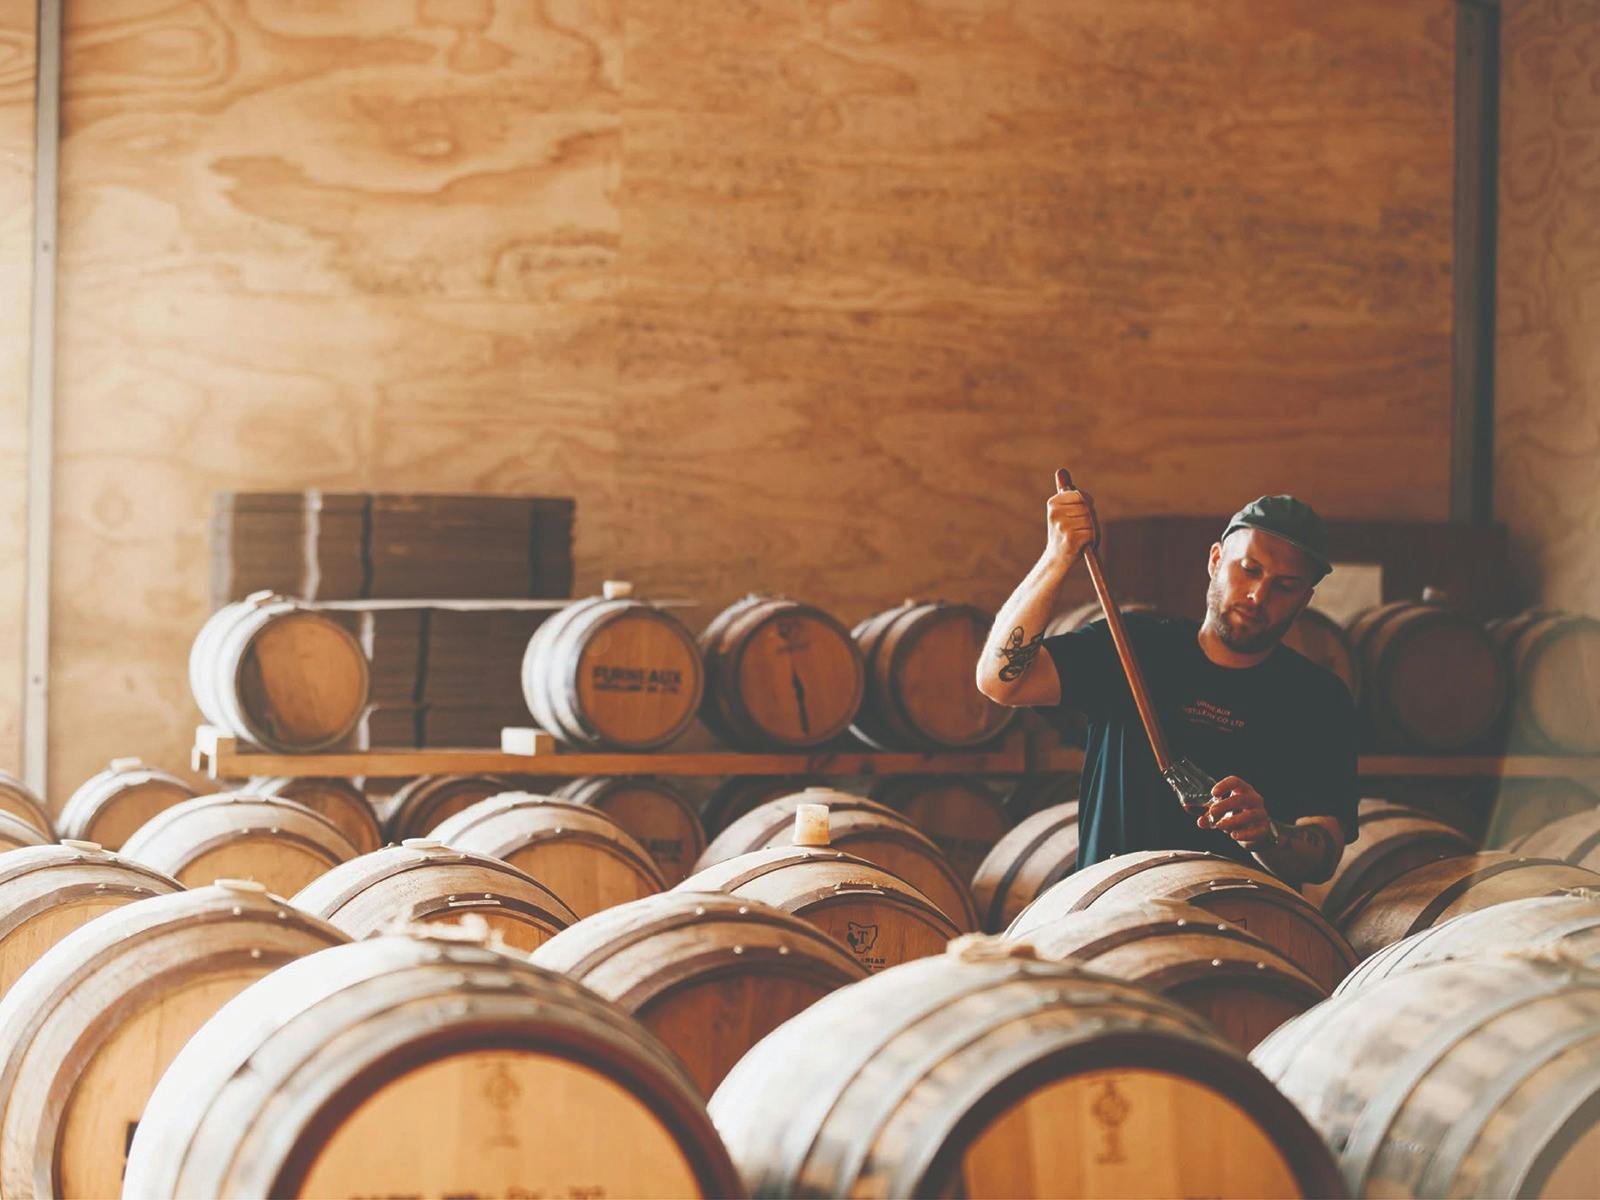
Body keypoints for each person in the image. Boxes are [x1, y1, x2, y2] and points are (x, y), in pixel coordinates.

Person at [975, 481, 1356, 885]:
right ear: (1215, 560)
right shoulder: (1132, 644)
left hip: (1241, 923)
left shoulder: (1319, 699)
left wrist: (1269, 835)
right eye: (1249, 570)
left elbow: (1323, 855)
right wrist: (1058, 556)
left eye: (1285, 586)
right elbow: (1001, 683)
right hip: (1111, 917)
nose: (1258, 595)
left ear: (1305, 599)